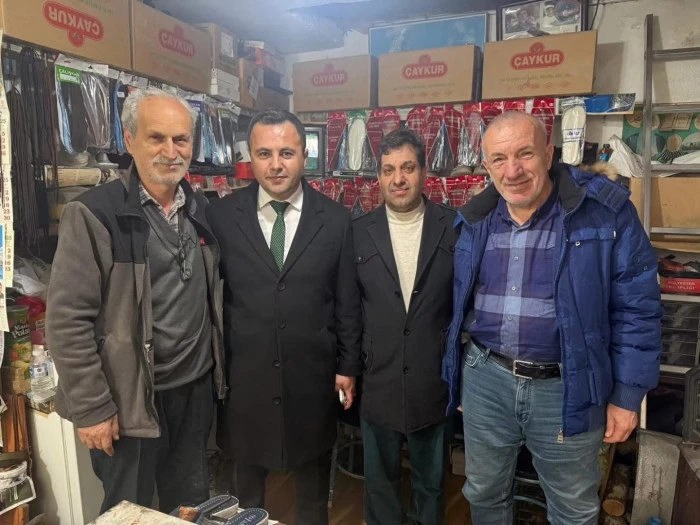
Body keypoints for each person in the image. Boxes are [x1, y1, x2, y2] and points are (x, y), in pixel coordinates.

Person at [441, 111, 662, 524]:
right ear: (486, 165)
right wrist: (462, 380)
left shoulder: (603, 212)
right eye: (499, 159)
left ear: (548, 153)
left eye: (524, 154)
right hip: (487, 378)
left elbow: (638, 308)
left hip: (568, 387)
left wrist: (627, 395)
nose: (513, 171)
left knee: (573, 507)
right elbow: (457, 304)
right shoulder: (474, 219)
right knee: (484, 492)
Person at [46, 88, 225, 514]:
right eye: (156, 138)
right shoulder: (94, 214)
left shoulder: (199, 208)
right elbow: (67, 321)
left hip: (192, 391)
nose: (171, 151)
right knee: (130, 512)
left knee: (189, 508)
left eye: (181, 139)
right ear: (129, 140)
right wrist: (92, 408)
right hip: (128, 401)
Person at [206, 109, 361, 525]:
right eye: (265, 153)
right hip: (244, 382)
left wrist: (347, 366)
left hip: (312, 380)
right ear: (251, 157)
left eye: (286, 153)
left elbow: (346, 301)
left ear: (305, 155)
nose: (276, 164)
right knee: (245, 498)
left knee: (312, 497)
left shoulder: (336, 220)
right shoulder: (221, 217)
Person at [353, 129, 457, 525]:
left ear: (424, 172)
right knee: (379, 483)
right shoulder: (358, 231)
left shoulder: (454, 226)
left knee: (431, 483)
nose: (398, 179)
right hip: (377, 376)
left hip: (434, 378)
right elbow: (349, 307)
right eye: (388, 170)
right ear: (379, 176)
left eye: (408, 168)